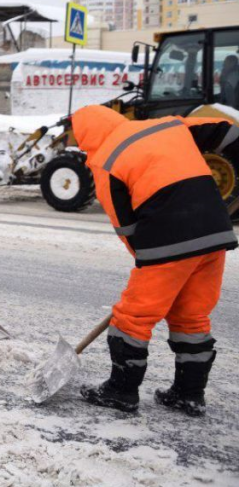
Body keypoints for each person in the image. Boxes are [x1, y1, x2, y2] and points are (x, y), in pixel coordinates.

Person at [71, 104, 239, 415]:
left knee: (132, 317)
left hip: (167, 238)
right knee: (192, 316)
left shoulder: (105, 160)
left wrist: (148, 260)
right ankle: (188, 395)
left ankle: (121, 391)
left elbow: (126, 225)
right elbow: (225, 128)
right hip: (216, 231)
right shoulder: (167, 125)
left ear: (85, 138)